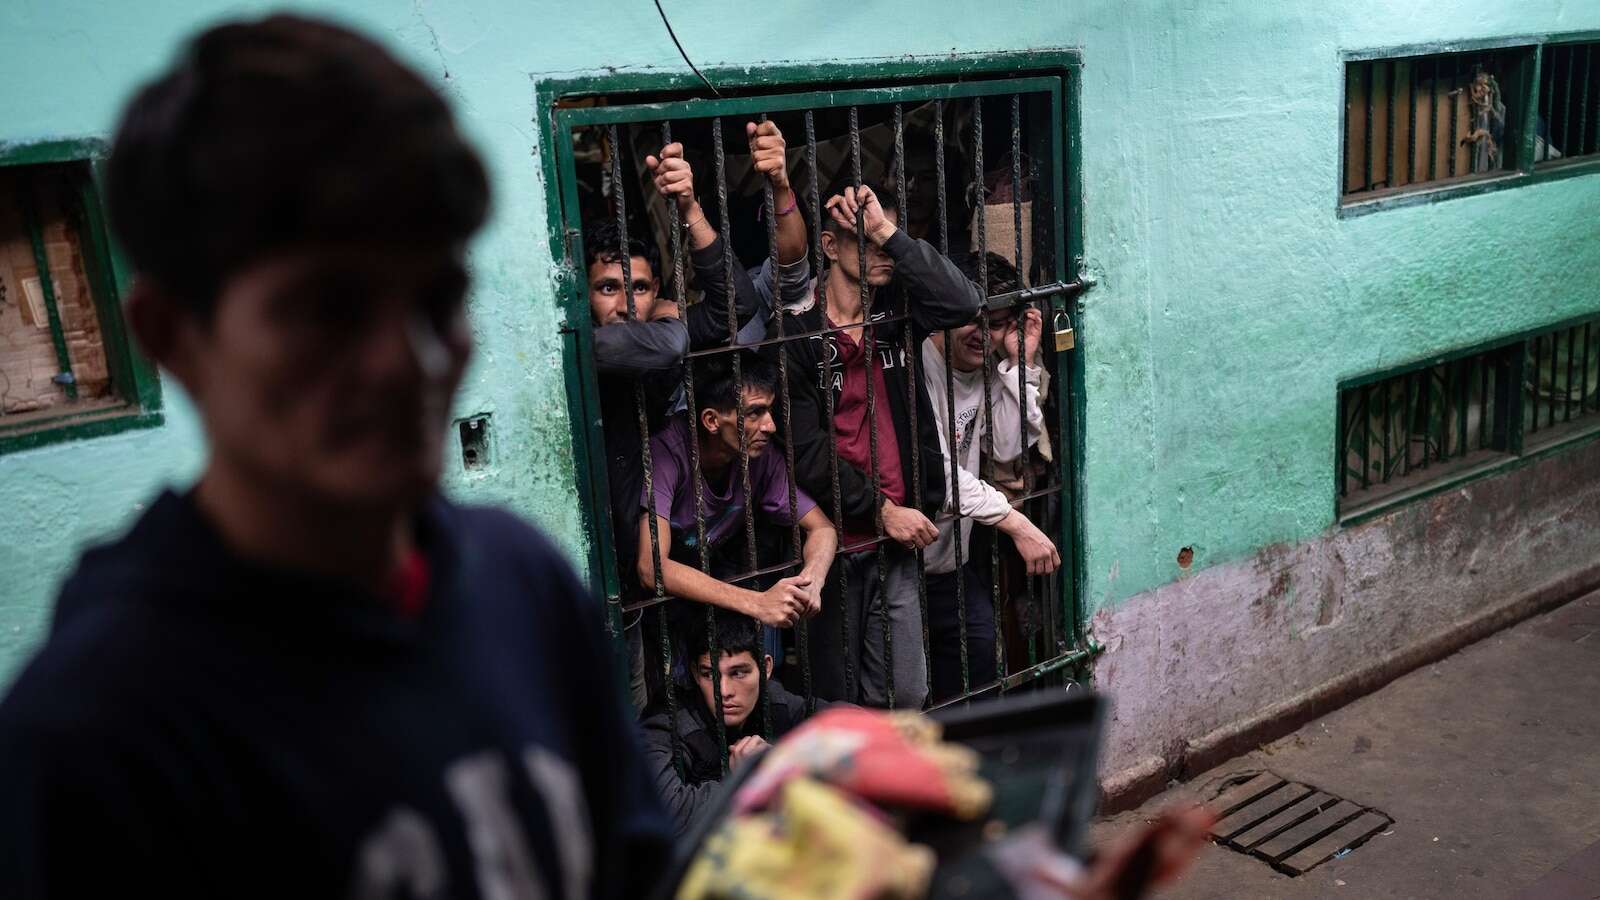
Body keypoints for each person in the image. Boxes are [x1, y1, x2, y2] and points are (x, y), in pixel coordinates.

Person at [0, 16, 672, 896]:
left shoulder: (523, 584)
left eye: (436, 300)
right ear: (173, 336)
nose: (408, 362)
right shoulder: (102, 733)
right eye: (327, 310)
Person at [778, 181, 982, 710]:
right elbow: (807, 452)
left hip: (898, 540)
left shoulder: (895, 314)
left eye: (883, 237)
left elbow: (964, 301)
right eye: (860, 238)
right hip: (834, 542)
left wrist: (884, 230)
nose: (880, 252)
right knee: (839, 701)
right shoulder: (796, 337)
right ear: (827, 247)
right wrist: (882, 509)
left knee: (908, 693)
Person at [922, 251, 1061, 703]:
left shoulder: (987, 369)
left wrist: (1019, 363)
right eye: (975, 320)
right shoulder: (917, 366)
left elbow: (1007, 447)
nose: (985, 334)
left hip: (955, 558)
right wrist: (1017, 523)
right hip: (903, 565)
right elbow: (936, 475)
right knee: (912, 693)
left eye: (998, 324)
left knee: (977, 674)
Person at [637, 352, 837, 628]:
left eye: (770, 410)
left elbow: (823, 528)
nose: (771, 426)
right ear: (711, 420)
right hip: (652, 608)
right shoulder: (667, 453)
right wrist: (757, 603)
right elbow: (651, 568)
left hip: (720, 585)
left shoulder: (760, 456)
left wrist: (811, 582)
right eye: (754, 413)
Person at [639, 611, 810, 838]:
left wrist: (780, 763)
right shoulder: (669, 722)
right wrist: (746, 780)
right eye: (709, 674)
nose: (724, 692)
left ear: (766, 668)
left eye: (738, 673)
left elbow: (850, 732)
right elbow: (667, 811)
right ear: (694, 673)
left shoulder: (774, 701)